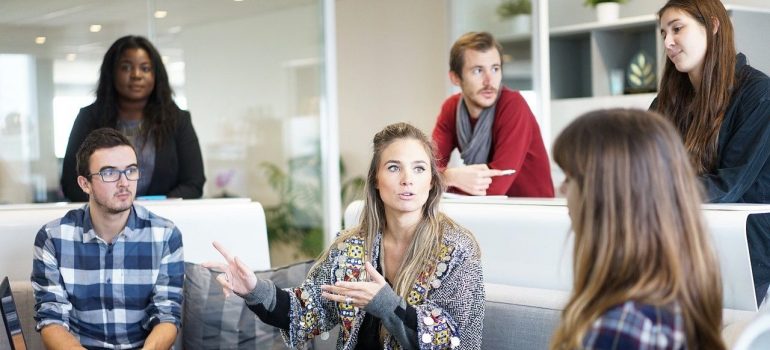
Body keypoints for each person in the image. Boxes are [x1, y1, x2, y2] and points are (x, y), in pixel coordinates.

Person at [205, 123, 484, 349]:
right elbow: (307, 311)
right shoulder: (351, 247)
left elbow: (451, 340)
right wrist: (254, 289)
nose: (407, 179)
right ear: (376, 179)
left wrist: (387, 304)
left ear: (432, 180)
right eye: (394, 167)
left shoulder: (457, 249)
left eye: (419, 168)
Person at [549, 109, 724, 350]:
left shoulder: (621, 328)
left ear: (605, 196)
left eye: (570, 178)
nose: (561, 189)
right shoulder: (673, 302)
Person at [651, 0, 770, 302]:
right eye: (663, 32)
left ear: (713, 26)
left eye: (677, 28)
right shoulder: (667, 101)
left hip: (744, 248)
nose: (667, 42)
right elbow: (641, 165)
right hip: (681, 240)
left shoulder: (758, 93)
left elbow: (728, 185)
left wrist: (649, 191)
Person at [33, 128, 184, 349]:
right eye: (109, 173)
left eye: (131, 170)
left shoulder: (166, 235)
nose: (124, 182)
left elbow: (167, 314)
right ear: (85, 184)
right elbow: (51, 319)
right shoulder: (52, 238)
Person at [61, 35, 205, 202]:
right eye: (126, 67)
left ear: (156, 75)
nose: (136, 75)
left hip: (163, 220)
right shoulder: (89, 119)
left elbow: (193, 183)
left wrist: (153, 210)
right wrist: (116, 207)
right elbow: (71, 184)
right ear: (111, 72)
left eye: (145, 68)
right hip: (104, 221)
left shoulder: (178, 120)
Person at [432, 31, 553, 197]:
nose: (489, 81)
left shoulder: (513, 105)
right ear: (455, 78)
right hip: (488, 212)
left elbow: (495, 188)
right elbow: (426, 169)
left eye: (495, 69)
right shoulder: (451, 108)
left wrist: (443, 179)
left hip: (532, 213)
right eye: (477, 71)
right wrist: (449, 176)